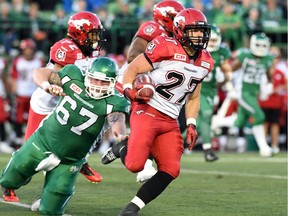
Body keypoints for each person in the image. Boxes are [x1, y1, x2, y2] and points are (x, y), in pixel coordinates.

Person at [102, 8, 214, 215]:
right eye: (194, 31)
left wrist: (191, 123)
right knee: (135, 165)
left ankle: (133, 208)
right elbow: (132, 68)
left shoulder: (206, 61)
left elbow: (194, 96)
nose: (200, 36)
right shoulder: (165, 46)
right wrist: (128, 89)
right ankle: (123, 147)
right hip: (148, 110)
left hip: (171, 119)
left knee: (171, 169)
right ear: (180, 31)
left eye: (202, 31)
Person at [0, 57, 130, 215]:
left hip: (71, 159)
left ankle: (46, 199)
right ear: (88, 75)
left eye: (104, 82)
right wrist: (47, 86)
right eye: (95, 80)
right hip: (43, 141)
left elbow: (117, 120)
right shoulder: (72, 75)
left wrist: (121, 134)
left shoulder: (115, 101)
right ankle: (9, 186)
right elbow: (39, 72)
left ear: (113, 82)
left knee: (51, 209)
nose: (98, 85)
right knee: (12, 174)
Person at [24, 11, 105, 183]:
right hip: (47, 102)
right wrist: (49, 86)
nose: (95, 39)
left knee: (94, 121)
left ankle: (80, 159)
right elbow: (45, 73)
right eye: (92, 35)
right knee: (29, 162)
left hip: (68, 104)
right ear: (79, 32)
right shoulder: (65, 48)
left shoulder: (92, 53)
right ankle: (11, 181)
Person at [116, 0, 185, 183]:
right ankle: (138, 159)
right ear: (164, 19)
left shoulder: (178, 36)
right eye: (176, 17)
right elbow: (133, 57)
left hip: (156, 84)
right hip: (136, 78)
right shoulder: (152, 28)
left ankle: (123, 148)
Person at [211, 32, 275, 157]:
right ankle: (264, 148)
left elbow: (269, 74)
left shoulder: (268, 58)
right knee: (259, 115)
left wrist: (268, 85)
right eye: (258, 45)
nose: (261, 48)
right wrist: (229, 85)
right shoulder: (245, 56)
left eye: (263, 45)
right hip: (242, 92)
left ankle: (218, 122)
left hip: (254, 93)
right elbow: (230, 70)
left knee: (239, 122)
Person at [197, 24, 232, 161]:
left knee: (198, 124)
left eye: (214, 41)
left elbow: (226, 68)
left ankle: (173, 144)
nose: (211, 43)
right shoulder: (196, 49)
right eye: (209, 40)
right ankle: (208, 149)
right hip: (196, 88)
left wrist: (227, 78)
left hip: (211, 90)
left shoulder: (221, 51)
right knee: (206, 114)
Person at [9, 38, 44, 149]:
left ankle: (34, 141)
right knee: (18, 118)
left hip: (35, 94)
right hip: (21, 93)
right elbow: (14, 78)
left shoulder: (39, 61)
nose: (27, 51)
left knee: (34, 118)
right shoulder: (18, 61)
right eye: (25, 49)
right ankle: (18, 140)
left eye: (29, 49)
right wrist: (13, 93)